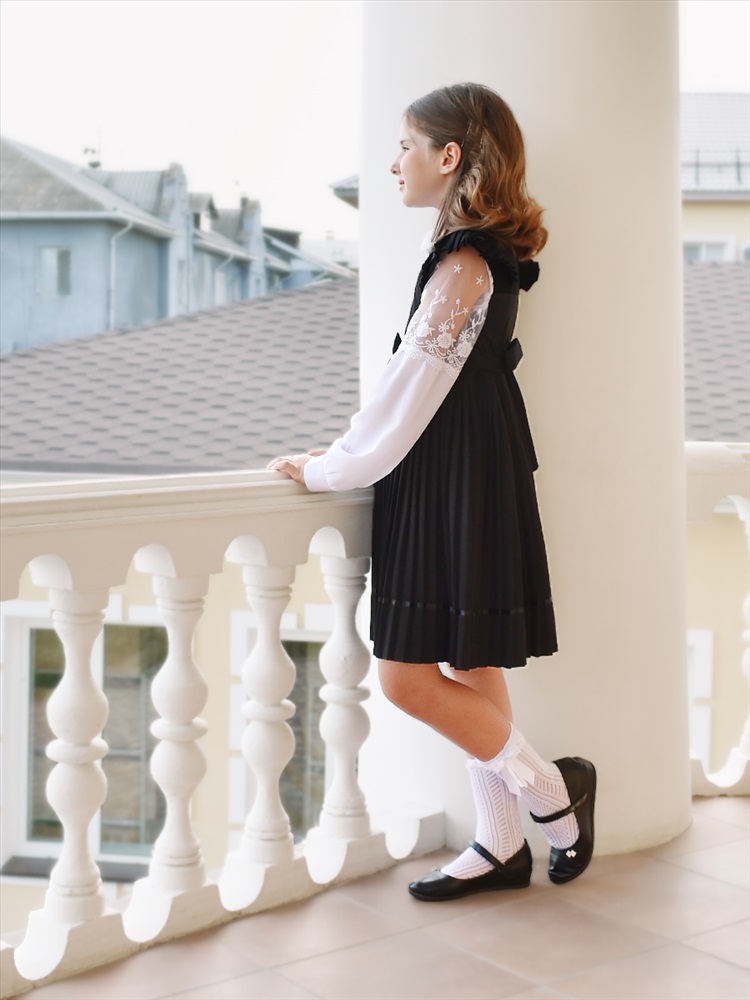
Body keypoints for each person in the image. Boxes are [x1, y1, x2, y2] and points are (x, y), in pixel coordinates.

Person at [269, 82, 595, 900]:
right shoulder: (470, 255)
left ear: (449, 157)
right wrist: (345, 453)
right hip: (467, 470)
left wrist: (329, 466)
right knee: (469, 658)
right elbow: (413, 387)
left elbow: (407, 391)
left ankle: (553, 792)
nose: (393, 164)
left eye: (406, 147)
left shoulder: (464, 261)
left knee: (407, 677)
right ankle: (501, 843)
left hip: (451, 473)